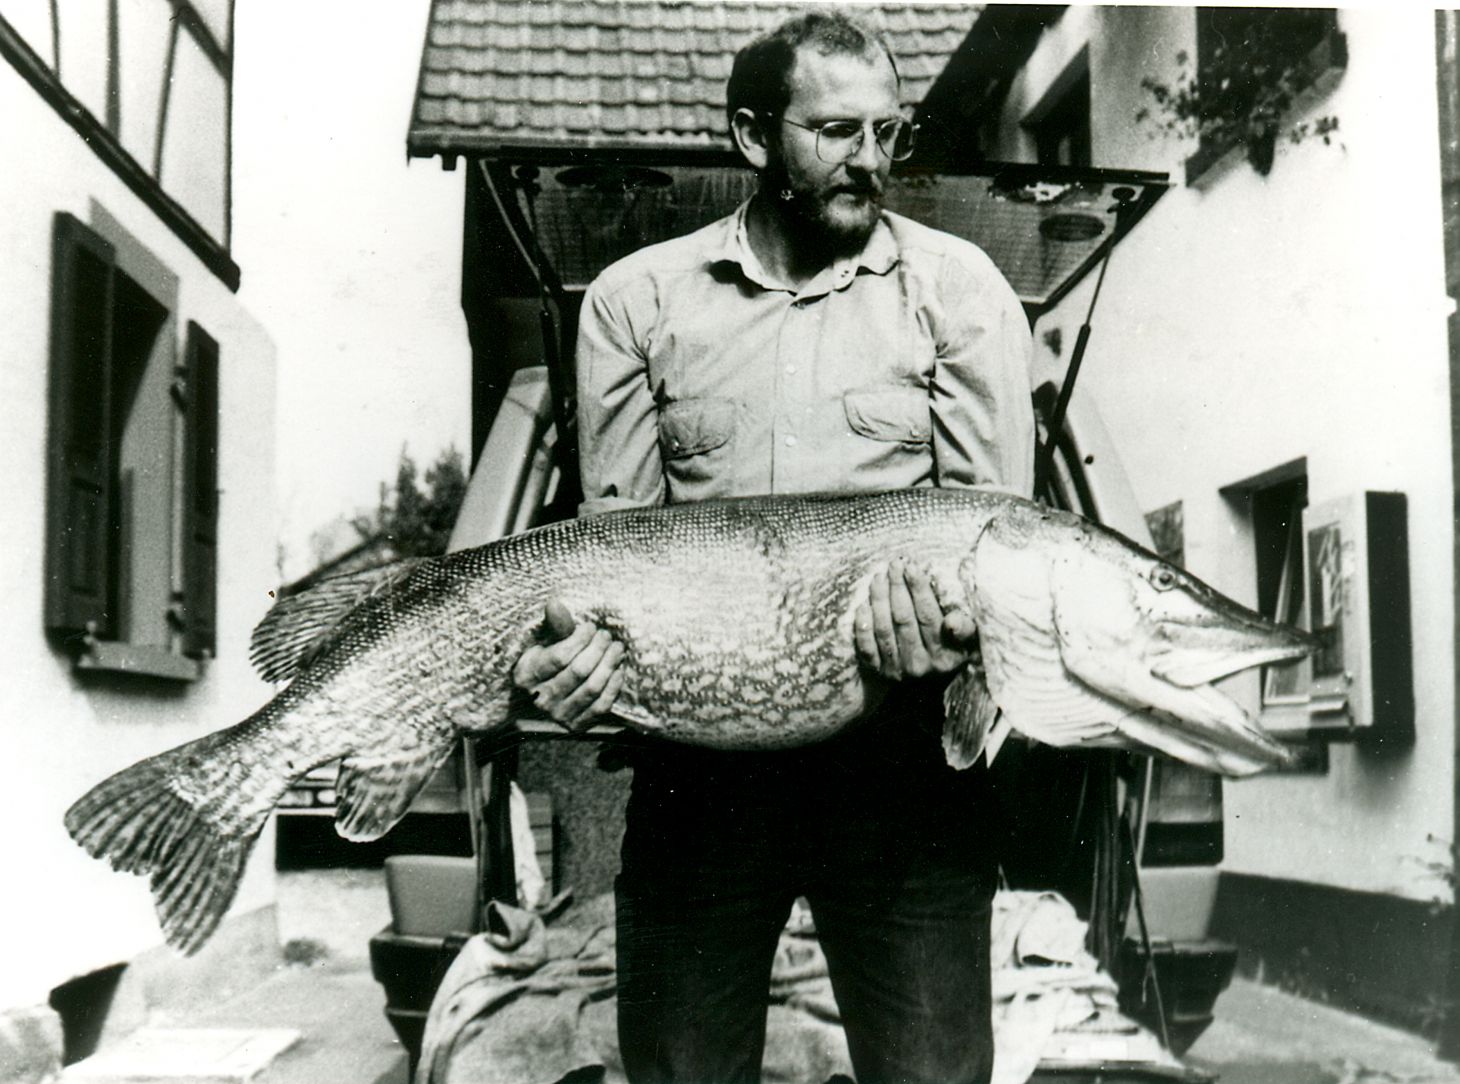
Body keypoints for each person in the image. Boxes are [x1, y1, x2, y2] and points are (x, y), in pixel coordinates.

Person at [513, 11, 1035, 1084]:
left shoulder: (962, 293)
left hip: (904, 780)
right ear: (753, 137)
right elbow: (617, 567)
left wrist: (951, 634)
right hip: (699, 783)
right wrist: (577, 664)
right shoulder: (634, 302)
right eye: (837, 131)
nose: (870, 159)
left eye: (887, 132)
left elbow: (997, 553)